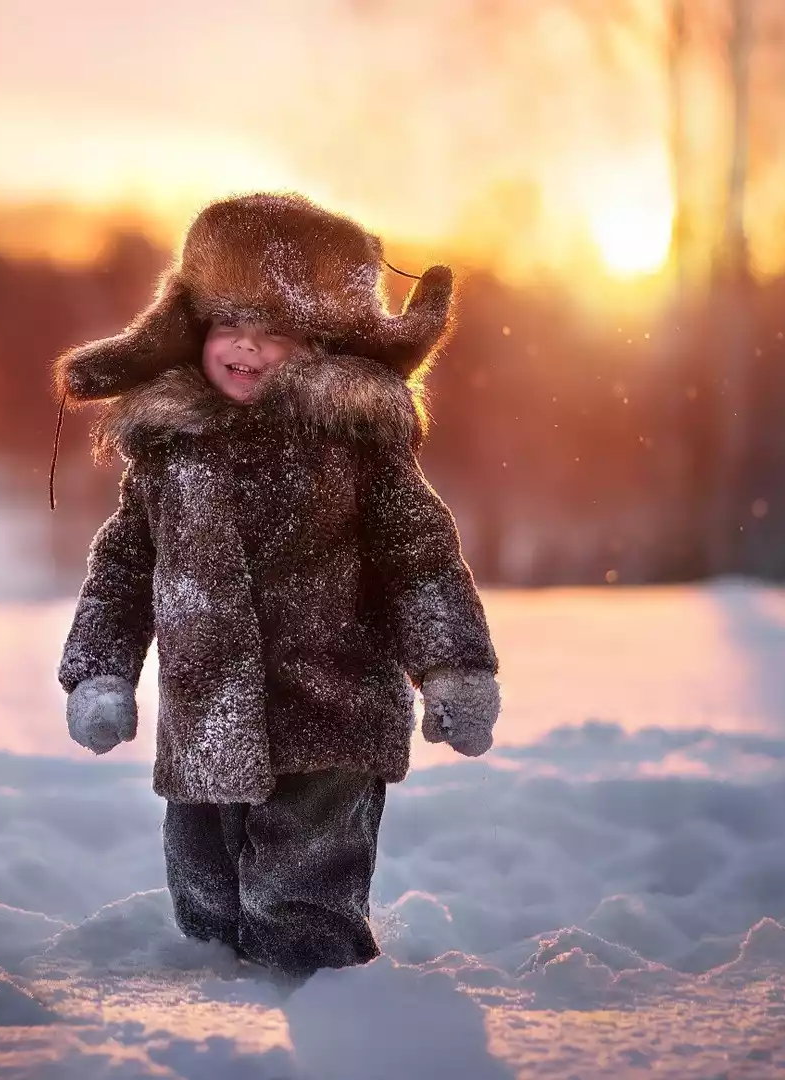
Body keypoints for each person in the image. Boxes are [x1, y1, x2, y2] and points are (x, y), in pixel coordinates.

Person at [52, 192, 502, 979]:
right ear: (192, 331)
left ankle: (320, 1017)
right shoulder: (168, 451)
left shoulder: (357, 449)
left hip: (330, 715)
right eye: (229, 326)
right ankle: (215, 1024)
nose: (247, 349)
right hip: (204, 724)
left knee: (301, 908)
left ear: (326, 344)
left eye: (278, 334)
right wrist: (100, 670)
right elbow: (123, 570)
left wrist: (453, 667)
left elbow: (419, 562)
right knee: (204, 907)